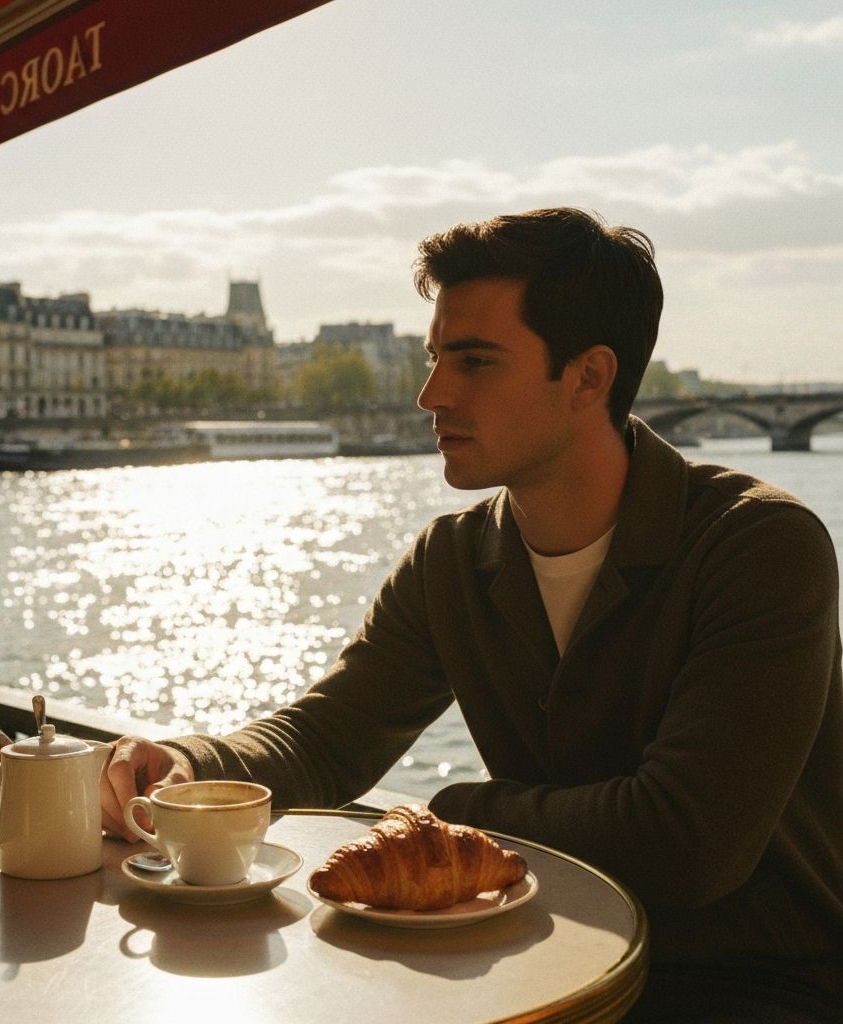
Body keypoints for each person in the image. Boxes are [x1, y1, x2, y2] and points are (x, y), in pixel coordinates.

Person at [100, 208, 843, 1021]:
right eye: (433, 358)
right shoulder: (449, 562)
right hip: (546, 954)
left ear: (589, 377)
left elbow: (687, 842)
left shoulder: (760, 545)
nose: (430, 394)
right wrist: (189, 768)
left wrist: (453, 818)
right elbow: (324, 739)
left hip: (755, 980)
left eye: (475, 362)